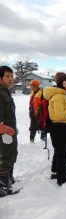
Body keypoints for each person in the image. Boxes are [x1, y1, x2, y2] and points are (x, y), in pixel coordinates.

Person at [43, 73, 66, 186]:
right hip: (59, 126)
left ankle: (55, 172)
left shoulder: (61, 95)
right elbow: (59, 115)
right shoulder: (59, 96)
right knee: (62, 153)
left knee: (58, 151)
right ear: (60, 83)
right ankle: (62, 178)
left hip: (58, 126)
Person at [0, 65, 19, 196]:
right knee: (4, 158)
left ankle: (8, 180)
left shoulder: (5, 92)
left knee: (11, 154)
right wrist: (4, 130)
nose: (11, 79)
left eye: (12, 76)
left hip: (9, 132)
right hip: (3, 134)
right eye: (7, 76)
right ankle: (3, 187)